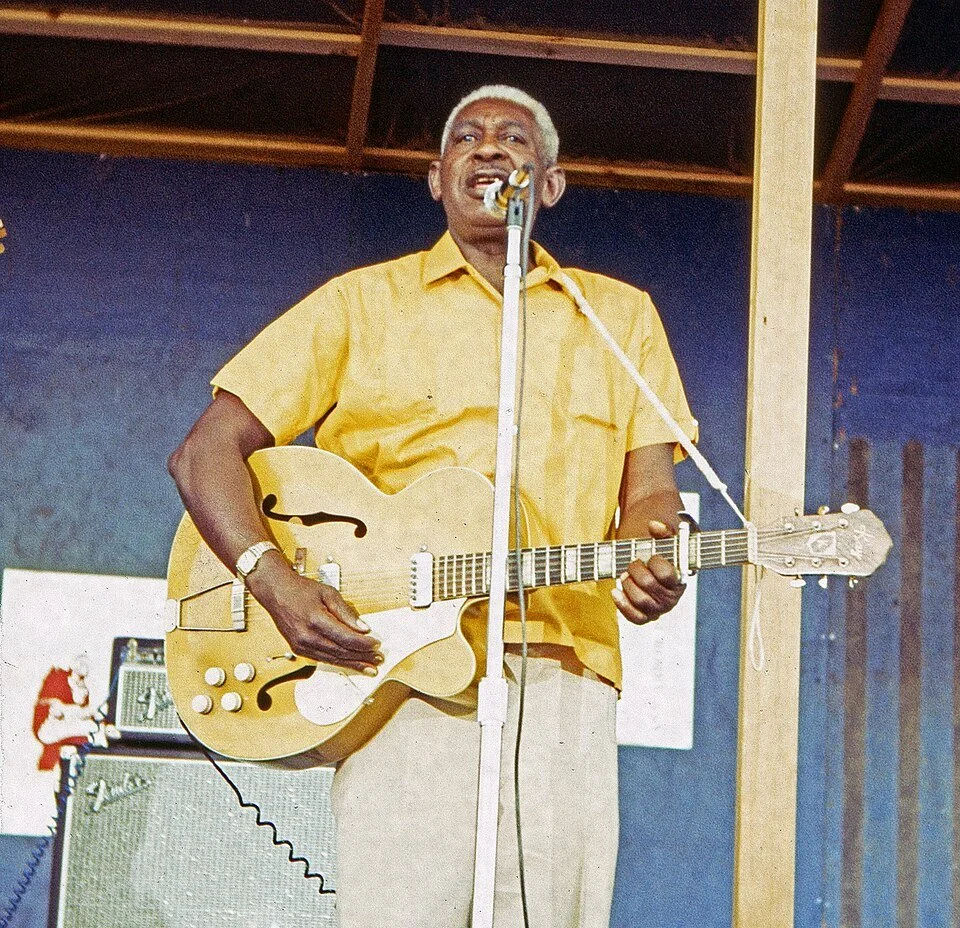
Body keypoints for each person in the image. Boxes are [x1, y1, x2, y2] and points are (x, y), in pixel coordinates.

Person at [168, 84, 697, 928]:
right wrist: (274, 581)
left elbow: (652, 496)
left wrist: (652, 554)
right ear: (435, 177)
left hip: (562, 679)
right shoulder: (359, 303)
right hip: (402, 678)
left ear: (549, 184)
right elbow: (204, 453)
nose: (489, 148)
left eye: (515, 138)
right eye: (467, 137)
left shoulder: (620, 318)